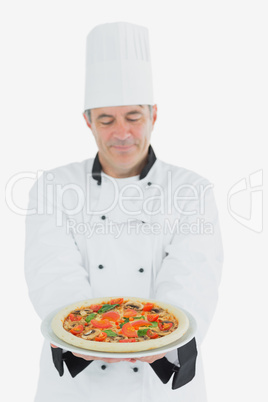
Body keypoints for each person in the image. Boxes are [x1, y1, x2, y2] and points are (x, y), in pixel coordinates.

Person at [24, 22, 223, 402]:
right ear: (87, 121)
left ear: (154, 115)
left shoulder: (192, 190)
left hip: (159, 383)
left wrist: (154, 336)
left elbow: (193, 275)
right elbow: (51, 272)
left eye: (133, 116)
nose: (122, 133)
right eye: (106, 119)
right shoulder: (52, 187)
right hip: (75, 386)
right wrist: (89, 334)